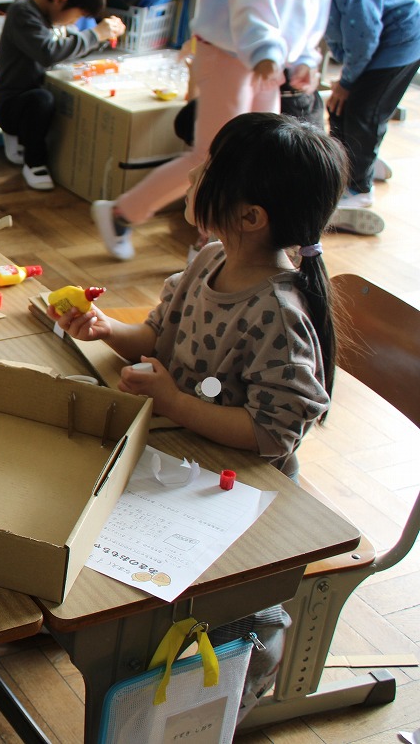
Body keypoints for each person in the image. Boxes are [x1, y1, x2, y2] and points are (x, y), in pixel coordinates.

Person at [53, 112, 347, 724]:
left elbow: (272, 434)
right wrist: (108, 331)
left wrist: (176, 403)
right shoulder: (209, 259)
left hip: (244, 494)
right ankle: (124, 643)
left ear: (251, 217)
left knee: (234, 615)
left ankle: (235, 686)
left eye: (209, 170)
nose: (193, 176)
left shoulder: (278, 311)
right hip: (184, 460)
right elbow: (157, 337)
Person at [92, 0, 335, 260]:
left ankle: (212, 243)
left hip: (268, 57)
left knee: (256, 157)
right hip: (230, 50)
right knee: (216, 157)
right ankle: (131, 216)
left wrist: (303, 54)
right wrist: (265, 49)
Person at [0, 0, 126, 191]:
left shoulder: (54, 17)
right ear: (60, 1)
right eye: (77, 16)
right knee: (41, 100)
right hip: (12, 103)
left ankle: (40, 145)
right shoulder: (22, 13)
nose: (75, 22)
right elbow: (48, 53)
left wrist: (104, 37)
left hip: (41, 97)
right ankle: (34, 162)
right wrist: (95, 34)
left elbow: (73, 47)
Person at [325, 0, 420, 234]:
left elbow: (363, 40)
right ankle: (356, 164)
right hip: (379, 40)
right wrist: (345, 80)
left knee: (365, 112)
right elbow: (336, 30)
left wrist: (347, 82)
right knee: (340, 106)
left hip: (403, 41)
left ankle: (359, 188)